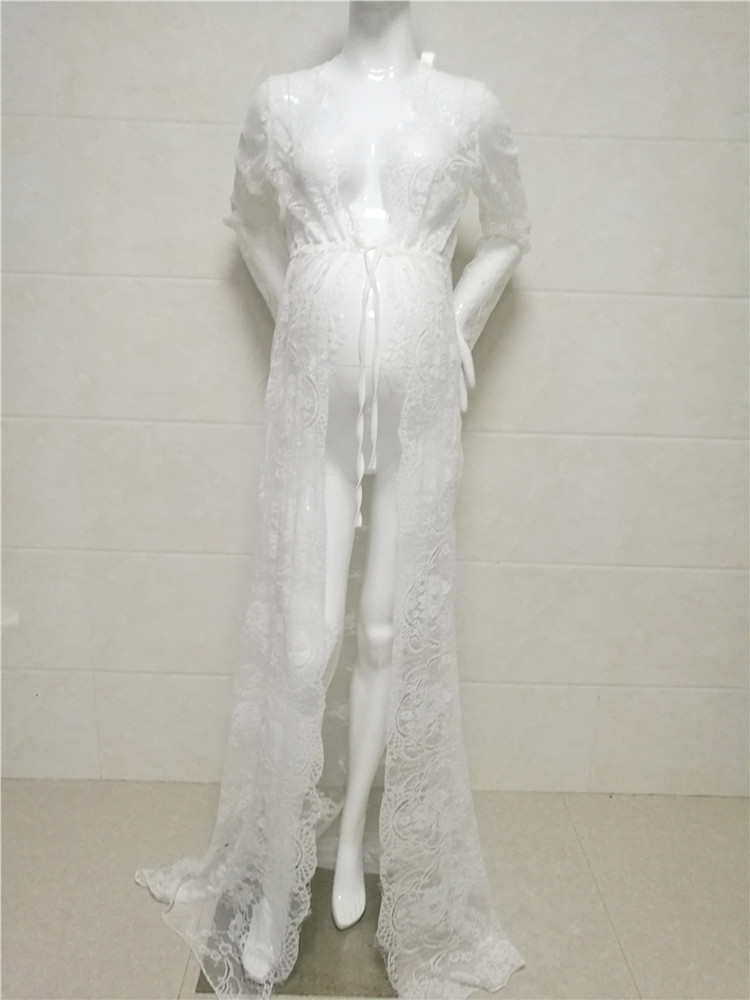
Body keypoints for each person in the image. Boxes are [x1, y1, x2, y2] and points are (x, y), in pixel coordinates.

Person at [135, 3, 532, 997]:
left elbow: (510, 233)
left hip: (417, 405)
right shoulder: (284, 103)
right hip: (317, 400)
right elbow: (247, 223)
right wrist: (299, 317)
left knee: (388, 628)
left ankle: (352, 840)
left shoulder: (467, 106)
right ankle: (276, 878)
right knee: (306, 637)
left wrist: (454, 319)